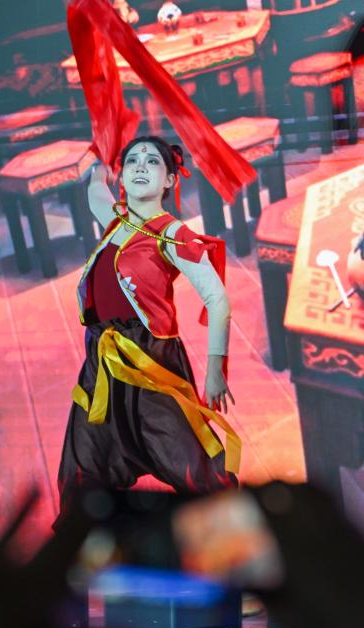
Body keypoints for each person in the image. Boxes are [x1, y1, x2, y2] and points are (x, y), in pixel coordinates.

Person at [57, 135, 240, 521]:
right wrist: (102, 153)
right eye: (132, 161)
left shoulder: (171, 234)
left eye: (153, 161)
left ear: (170, 180)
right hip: (102, 361)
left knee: (188, 462)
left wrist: (215, 370)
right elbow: (95, 190)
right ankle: (82, 537)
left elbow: (218, 300)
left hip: (151, 363)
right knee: (83, 458)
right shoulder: (115, 221)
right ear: (123, 176)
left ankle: (231, 528)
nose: (140, 166)